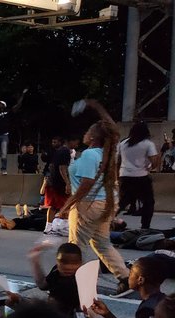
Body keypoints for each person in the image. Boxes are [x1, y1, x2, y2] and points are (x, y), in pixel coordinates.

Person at [59, 99, 131, 297]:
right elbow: (112, 129)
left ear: (92, 136)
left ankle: (73, 286)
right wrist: (96, 106)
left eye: (88, 131)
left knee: (75, 246)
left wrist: (67, 205)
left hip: (88, 204)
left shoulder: (90, 155)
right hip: (106, 203)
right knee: (102, 243)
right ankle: (125, 278)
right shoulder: (108, 154)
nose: (84, 133)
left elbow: (86, 183)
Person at [117, 121, 158, 230]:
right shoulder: (148, 143)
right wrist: (150, 167)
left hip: (124, 175)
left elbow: (118, 160)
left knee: (122, 201)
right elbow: (154, 160)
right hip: (141, 176)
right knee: (148, 202)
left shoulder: (123, 143)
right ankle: (145, 226)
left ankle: (106, 220)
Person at [28, 242, 82, 315]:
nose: (68, 267)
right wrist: (35, 261)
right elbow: (43, 285)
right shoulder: (56, 271)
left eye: (74, 263)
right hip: (54, 314)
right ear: (57, 261)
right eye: (63, 262)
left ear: (80, 263)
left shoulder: (80, 279)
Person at [0, 89, 26, 175]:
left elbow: (18, 105)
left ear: (3, 105)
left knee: (4, 153)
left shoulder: (8, 111)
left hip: (4, 135)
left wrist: (22, 95)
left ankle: (3, 169)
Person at [43, 136, 71, 234]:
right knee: (66, 205)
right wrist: (67, 183)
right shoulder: (64, 152)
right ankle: (63, 227)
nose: (53, 144)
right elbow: (62, 168)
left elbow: (51, 167)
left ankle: (49, 227)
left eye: (55, 141)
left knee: (54, 206)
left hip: (53, 183)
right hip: (59, 184)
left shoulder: (55, 152)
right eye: (53, 142)